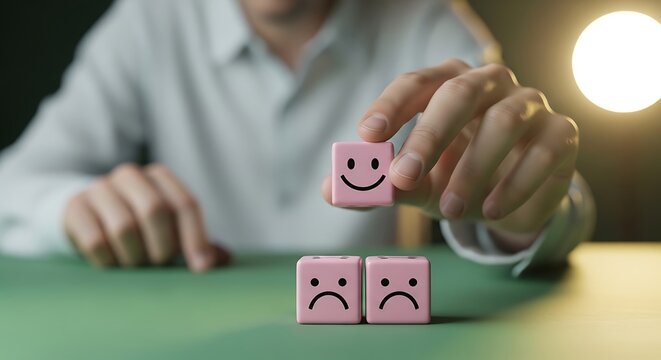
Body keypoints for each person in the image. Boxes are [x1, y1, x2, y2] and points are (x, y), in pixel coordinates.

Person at [0, 0, 594, 276]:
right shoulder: (149, 20)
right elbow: (15, 183)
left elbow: (547, 195)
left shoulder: (427, 20)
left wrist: (523, 208)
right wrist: (72, 208)